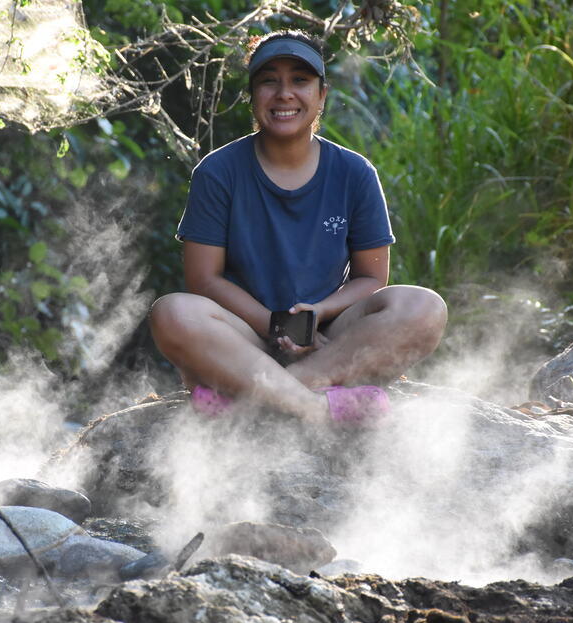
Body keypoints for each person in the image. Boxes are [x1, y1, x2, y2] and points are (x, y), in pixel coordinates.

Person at [149, 30, 447, 427]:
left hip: (329, 340)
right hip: (243, 340)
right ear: (252, 95)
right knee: (173, 312)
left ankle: (252, 399)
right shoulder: (218, 171)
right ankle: (317, 407)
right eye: (269, 81)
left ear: (322, 95)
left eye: (300, 81)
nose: (284, 94)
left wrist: (317, 316)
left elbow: (372, 278)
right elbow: (203, 280)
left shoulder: (355, 172)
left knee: (424, 307)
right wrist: (278, 328)